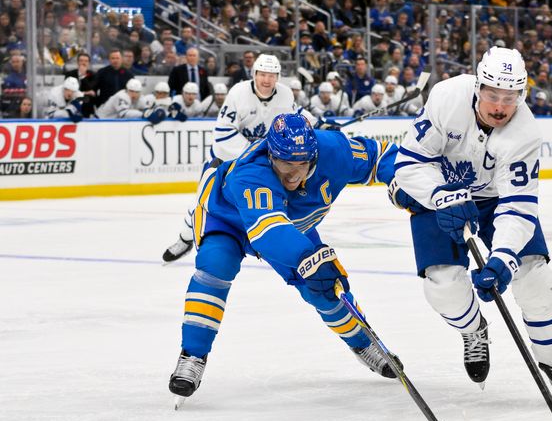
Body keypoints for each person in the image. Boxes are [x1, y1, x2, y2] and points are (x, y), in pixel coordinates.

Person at [393, 47, 552, 404]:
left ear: (521, 95)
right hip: (441, 190)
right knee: (443, 284)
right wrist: (440, 195)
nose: (499, 107)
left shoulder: (525, 133)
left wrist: (502, 259)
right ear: (478, 87)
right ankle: (474, 330)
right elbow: (410, 164)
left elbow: (519, 206)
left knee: (535, 278)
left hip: (493, 200)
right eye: (492, 95)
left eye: (510, 98)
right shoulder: (446, 97)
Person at [168, 112, 403, 405]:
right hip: (226, 217)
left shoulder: (335, 150)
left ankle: (364, 344)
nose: (291, 175)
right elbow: (269, 230)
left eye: (300, 165)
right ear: (270, 155)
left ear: (314, 157)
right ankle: (192, 354)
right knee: (216, 267)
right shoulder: (251, 172)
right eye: (283, 165)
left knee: (324, 289)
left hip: (288, 224)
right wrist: (310, 258)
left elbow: (382, 157)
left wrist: (401, 181)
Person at [162, 53, 314, 263]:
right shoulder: (238, 93)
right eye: (262, 74)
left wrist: (321, 124)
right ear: (254, 74)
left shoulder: (285, 94)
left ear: (277, 77)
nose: (267, 80)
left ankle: (270, 240)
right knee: (201, 201)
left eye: (271, 75)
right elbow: (223, 133)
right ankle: (184, 238)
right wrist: (253, 152)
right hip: (225, 160)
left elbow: (297, 116)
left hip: (260, 163)